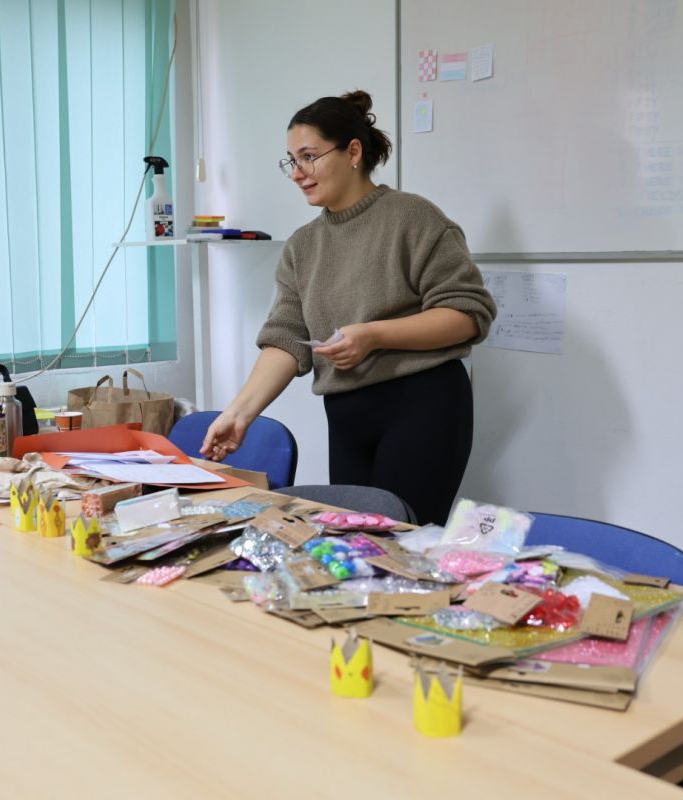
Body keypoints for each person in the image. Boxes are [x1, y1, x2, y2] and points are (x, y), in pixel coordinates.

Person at [200, 90, 496, 525]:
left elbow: (467, 314)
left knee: (401, 542)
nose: (297, 173)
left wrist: (373, 335)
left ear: (353, 152)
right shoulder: (302, 245)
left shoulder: (414, 218)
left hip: (422, 404)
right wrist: (239, 414)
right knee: (354, 544)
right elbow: (285, 339)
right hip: (347, 414)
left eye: (309, 157)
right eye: (291, 161)